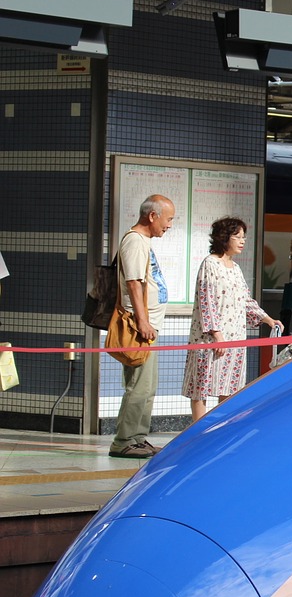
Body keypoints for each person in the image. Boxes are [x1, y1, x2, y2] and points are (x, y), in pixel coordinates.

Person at [182, 217, 279, 422]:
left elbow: (244, 299)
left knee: (229, 386)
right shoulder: (210, 264)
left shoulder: (235, 268)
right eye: (237, 237)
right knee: (202, 387)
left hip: (235, 337)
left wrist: (267, 318)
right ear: (224, 238)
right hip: (210, 339)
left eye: (244, 237)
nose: (242, 241)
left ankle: (219, 429)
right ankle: (199, 433)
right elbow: (205, 301)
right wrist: (217, 335)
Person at [110, 194, 175, 459]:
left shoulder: (143, 241)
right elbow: (134, 283)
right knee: (139, 386)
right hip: (141, 328)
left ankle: (137, 437)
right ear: (152, 216)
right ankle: (124, 440)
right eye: (168, 219)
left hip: (148, 325)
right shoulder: (135, 241)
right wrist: (143, 321)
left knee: (148, 387)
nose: (169, 225)